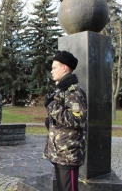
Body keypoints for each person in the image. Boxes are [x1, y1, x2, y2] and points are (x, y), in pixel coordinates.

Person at [43, 50, 87, 191]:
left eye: (54, 67)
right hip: (60, 152)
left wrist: (51, 106)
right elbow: (62, 118)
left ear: (64, 68)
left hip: (68, 153)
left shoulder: (73, 91)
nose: (51, 71)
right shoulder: (61, 90)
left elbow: (78, 120)